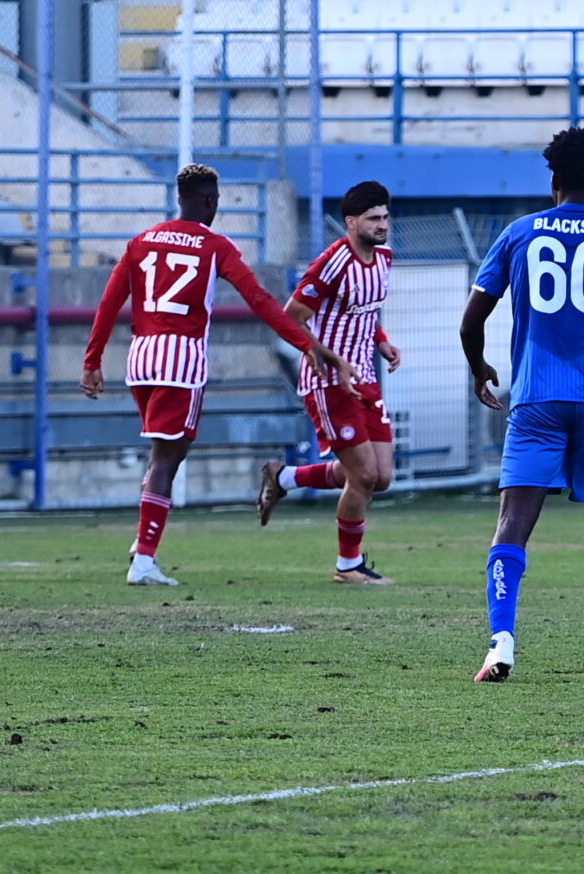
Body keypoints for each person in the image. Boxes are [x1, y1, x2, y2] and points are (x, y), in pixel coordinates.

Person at [459, 125, 584, 682]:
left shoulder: (519, 234)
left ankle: (501, 645)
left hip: (536, 399)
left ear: (554, 178)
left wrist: (481, 369)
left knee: (513, 522)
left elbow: (471, 321)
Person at [81, 164, 341, 588]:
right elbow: (259, 299)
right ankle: (144, 561)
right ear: (210, 201)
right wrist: (305, 343)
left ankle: (142, 540)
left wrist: (92, 360)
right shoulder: (215, 246)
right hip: (181, 363)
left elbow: (110, 301)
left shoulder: (141, 241)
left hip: (141, 359)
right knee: (168, 458)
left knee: (167, 454)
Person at [255, 179, 402, 585]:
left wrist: (383, 343)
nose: (382, 225)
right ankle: (348, 566)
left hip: (365, 378)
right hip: (328, 380)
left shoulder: (385, 258)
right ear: (351, 222)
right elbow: (291, 317)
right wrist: (332, 359)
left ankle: (284, 477)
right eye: (373, 219)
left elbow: (365, 313)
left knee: (381, 476)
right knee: (364, 476)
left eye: (385, 217)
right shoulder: (332, 262)